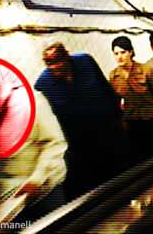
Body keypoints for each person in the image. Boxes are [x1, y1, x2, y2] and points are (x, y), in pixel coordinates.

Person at [34, 42, 130, 200]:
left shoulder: (85, 61)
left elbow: (106, 88)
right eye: (49, 63)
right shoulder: (43, 85)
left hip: (112, 132)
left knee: (126, 170)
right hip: (85, 147)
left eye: (58, 61)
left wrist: (120, 117)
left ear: (67, 55)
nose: (54, 67)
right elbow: (52, 123)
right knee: (102, 184)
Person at [0, 88, 67, 225]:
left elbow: (55, 143)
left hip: (44, 193)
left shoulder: (31, 101)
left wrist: (36, 180)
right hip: (7, 205)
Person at [109, 36, 153, 162]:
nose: (119, 57)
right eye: (116, 53)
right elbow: (116, 102)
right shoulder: (114, 76)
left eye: (123, 52)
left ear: (131, 52)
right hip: (133, 123)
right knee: (142, 157)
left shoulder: (146, 70)